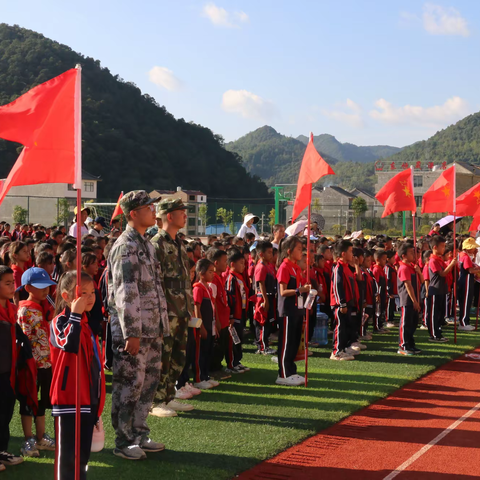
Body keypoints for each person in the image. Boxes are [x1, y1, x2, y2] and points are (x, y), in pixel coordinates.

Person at [108, 190, 169, 460]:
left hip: (152, 327)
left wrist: (161, 325)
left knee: (148, 383)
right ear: (133, 213)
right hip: (132, 330)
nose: (153, 211)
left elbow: (155, 288)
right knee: (129, 384)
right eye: (148, 207)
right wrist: (131, 332)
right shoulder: (126, 246)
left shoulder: (146, 243)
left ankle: (140, 433)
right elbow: (125, 292)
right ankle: (124, 440)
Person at [50, 271, 105, 479]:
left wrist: (97, 404)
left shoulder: (86, 325)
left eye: (92, 292)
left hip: (87, 400)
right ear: (66, 297)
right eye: (83, 293)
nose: (90, 297)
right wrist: (74, 314)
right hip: (68, 400)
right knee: (67, 459)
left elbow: (94, 367)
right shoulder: (60, 322)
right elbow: (69, 345)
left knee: (82, 458)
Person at [150, 199, 194, 417]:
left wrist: (190, 308)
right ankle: (156, 402)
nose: (185, 215)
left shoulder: (179, 243)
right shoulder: (156, 243)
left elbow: (186, 280)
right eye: (181, 212)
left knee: (178, 357)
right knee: (162, 358)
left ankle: (169, 396)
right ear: (169, 216)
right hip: (166, 311)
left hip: (181, 309)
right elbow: (154, 282)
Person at [16, 268, 57, 457]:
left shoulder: (43, 307)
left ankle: (40, 438)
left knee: (41, 402)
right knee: (27, 401)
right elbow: (24, 340)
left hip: (45, 364)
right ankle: (28, 438)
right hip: (30, 364)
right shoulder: (25, 310)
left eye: (47, 286)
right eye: (41, 287)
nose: (46, 291)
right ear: (28, 287)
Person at [275, 236, 311, 384]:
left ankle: (291, 371)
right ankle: (283, 373)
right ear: (289, 251)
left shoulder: (296, 267)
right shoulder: (284, 267)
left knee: (294, 342)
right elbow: (283, 291)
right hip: (287, 310)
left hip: (297, 309)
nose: (301, 252)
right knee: (286, 343)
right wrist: (300, 289)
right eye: (298, 249)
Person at [0, 266, 24, 470]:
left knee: (6, 409)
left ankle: (2, 450)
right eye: (7, 283)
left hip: (8, 369)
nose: (12, 286)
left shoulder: (10, 308)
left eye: (12, 282)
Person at [192, 259, 219, 390]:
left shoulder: (208, 288)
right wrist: (200, 326)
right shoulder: (198, 288)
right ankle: (198, 378)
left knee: (208, 351)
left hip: (210, 326)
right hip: (202, 327)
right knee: (200, 353)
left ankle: (205, 375)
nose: (213, 274)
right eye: (210, 272)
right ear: (202, 273)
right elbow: (197, 307)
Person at [206, 249, 232, 379]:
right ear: (216, 263)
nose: (227, 263)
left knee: (222, 344)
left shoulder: (220, 277)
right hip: (218, 319)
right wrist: (216, 320)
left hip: (224, 318)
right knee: (217, 345)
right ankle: (213, 369)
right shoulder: (213, 279)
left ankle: (218, 367)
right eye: (224, 261)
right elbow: (213, 300)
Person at [425, 236, 457, 342]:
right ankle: (434, 334)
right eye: (442, 246)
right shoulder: (433, 260)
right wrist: (451, 264)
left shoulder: (439, 260)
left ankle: (438, 332)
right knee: (434, 314)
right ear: (435, 247)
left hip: (442, 290)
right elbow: (442, 273)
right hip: (435, 291)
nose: (444, 249)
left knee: (440, 314)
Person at [330, 240, 357, 361]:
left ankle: (344, 348)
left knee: (346, 327)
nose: (352, 254)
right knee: (340, 327)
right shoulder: (338, 267)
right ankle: (336, 352)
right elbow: (337, 285)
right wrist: (342, 303)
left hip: (347, 303)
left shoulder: (347, 267)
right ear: (343, 254)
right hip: (340, 304)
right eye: (350, 251)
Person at [225, 249, 250, 374]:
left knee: (239, 339)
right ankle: (231, 364)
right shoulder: (231, 278)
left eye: (244, 263)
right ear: (232, 264)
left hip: (241, 314)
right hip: (234, 316)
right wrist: (231, 315)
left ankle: (237, 361)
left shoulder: (240, 277)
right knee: (233, 340)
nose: (243, 266)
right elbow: (230, 297)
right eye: (241, 263)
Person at [397, 243, 424, 355]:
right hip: (407, 300)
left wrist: (418, 271)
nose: (414, 255)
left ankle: (410, 344)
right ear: (404, 255)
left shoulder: (413, 267)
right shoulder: (403, 268)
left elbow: (422, 281)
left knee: (413, 323)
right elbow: (408, 285)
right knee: (406, 323)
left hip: (415, 299)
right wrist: (414, 301)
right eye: (411, 253)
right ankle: (403, 346)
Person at [253, 241, 276, 355]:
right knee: (262, 322)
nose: (271, 255)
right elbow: (261, 283)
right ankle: (262, 347)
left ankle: (265, 344)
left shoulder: (269, 265)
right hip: (262, 297)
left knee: (267, 322)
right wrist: (265, 299)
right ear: (261, 254)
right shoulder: (261, 266)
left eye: (272, 252)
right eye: (269, 252)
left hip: (269, 296)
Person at [458, 237, 480, 331]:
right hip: (465, 280)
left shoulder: (463, 255)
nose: (475, 249)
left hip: (465, 280)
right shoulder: (465, 256)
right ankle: (463, 322)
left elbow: (471, 265)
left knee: (466, 302)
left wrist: (474, 256)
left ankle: (465, 321)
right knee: (465, 302)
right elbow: (470, 270)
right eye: (473, 248)